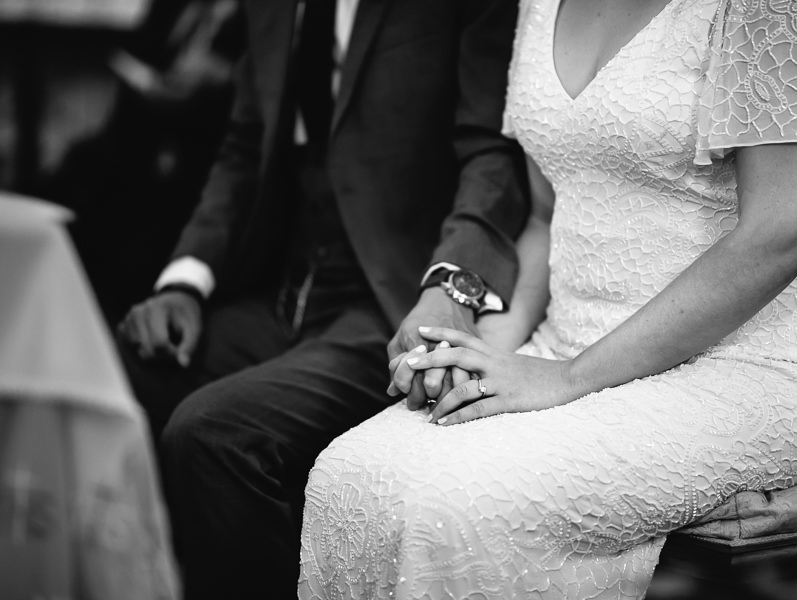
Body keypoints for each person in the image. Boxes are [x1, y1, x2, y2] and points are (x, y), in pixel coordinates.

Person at [297, 0, 797, 598]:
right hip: (564, 341)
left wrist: (568, 377)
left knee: (462, 506)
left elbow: (782, 236)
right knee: (352, 475)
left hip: (750, 365)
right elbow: (549, 216)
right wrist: (482, 347)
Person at [116, 1, 527, 598]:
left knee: (213, 434)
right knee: (114, 378)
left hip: (386, 301)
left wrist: (448, 289)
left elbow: (493, 153)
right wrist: (184, 280)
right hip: (280, 288)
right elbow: (245, 143)